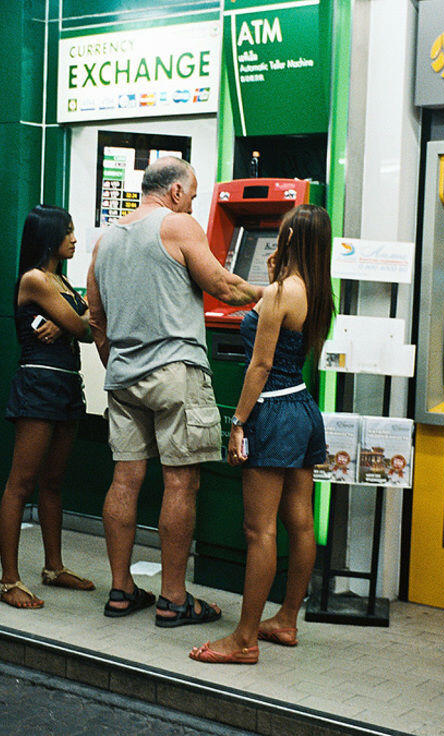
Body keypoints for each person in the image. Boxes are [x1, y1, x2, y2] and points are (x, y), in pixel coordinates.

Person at [86, 157, 264, 625]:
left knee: (124, 480)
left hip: (123, 375)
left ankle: (121, 591)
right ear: (178, 192)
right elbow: (223, 285)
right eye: (195, 194)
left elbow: (95, 317)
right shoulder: (178, 225)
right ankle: (173, 599)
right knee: (181, 482)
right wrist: (275, 294)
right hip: (175, 371)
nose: (195, 203)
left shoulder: (106, 241)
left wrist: (118, 363)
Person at [189, 204, 334, 663]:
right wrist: (269, 280)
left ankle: (244, 638)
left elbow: (260, 365)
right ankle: (286, 620)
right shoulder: (317, 292)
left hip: (271, 411)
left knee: (259, 529)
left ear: (289, 240)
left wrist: (238, 422)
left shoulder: (278, 294)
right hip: (303, 408)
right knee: (301, 521)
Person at [0, 204, 95, 609]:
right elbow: (86, 327)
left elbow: (88, 319)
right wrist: (74, 317)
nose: (74, 238)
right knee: (20, 484)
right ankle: (8, 581)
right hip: (39, 385)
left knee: (53, 482)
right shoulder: (36, 279)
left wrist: (76, 316)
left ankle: (53, 568)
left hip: (65, 385)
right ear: (49, 236)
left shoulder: (59, 281)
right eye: (68, 231)